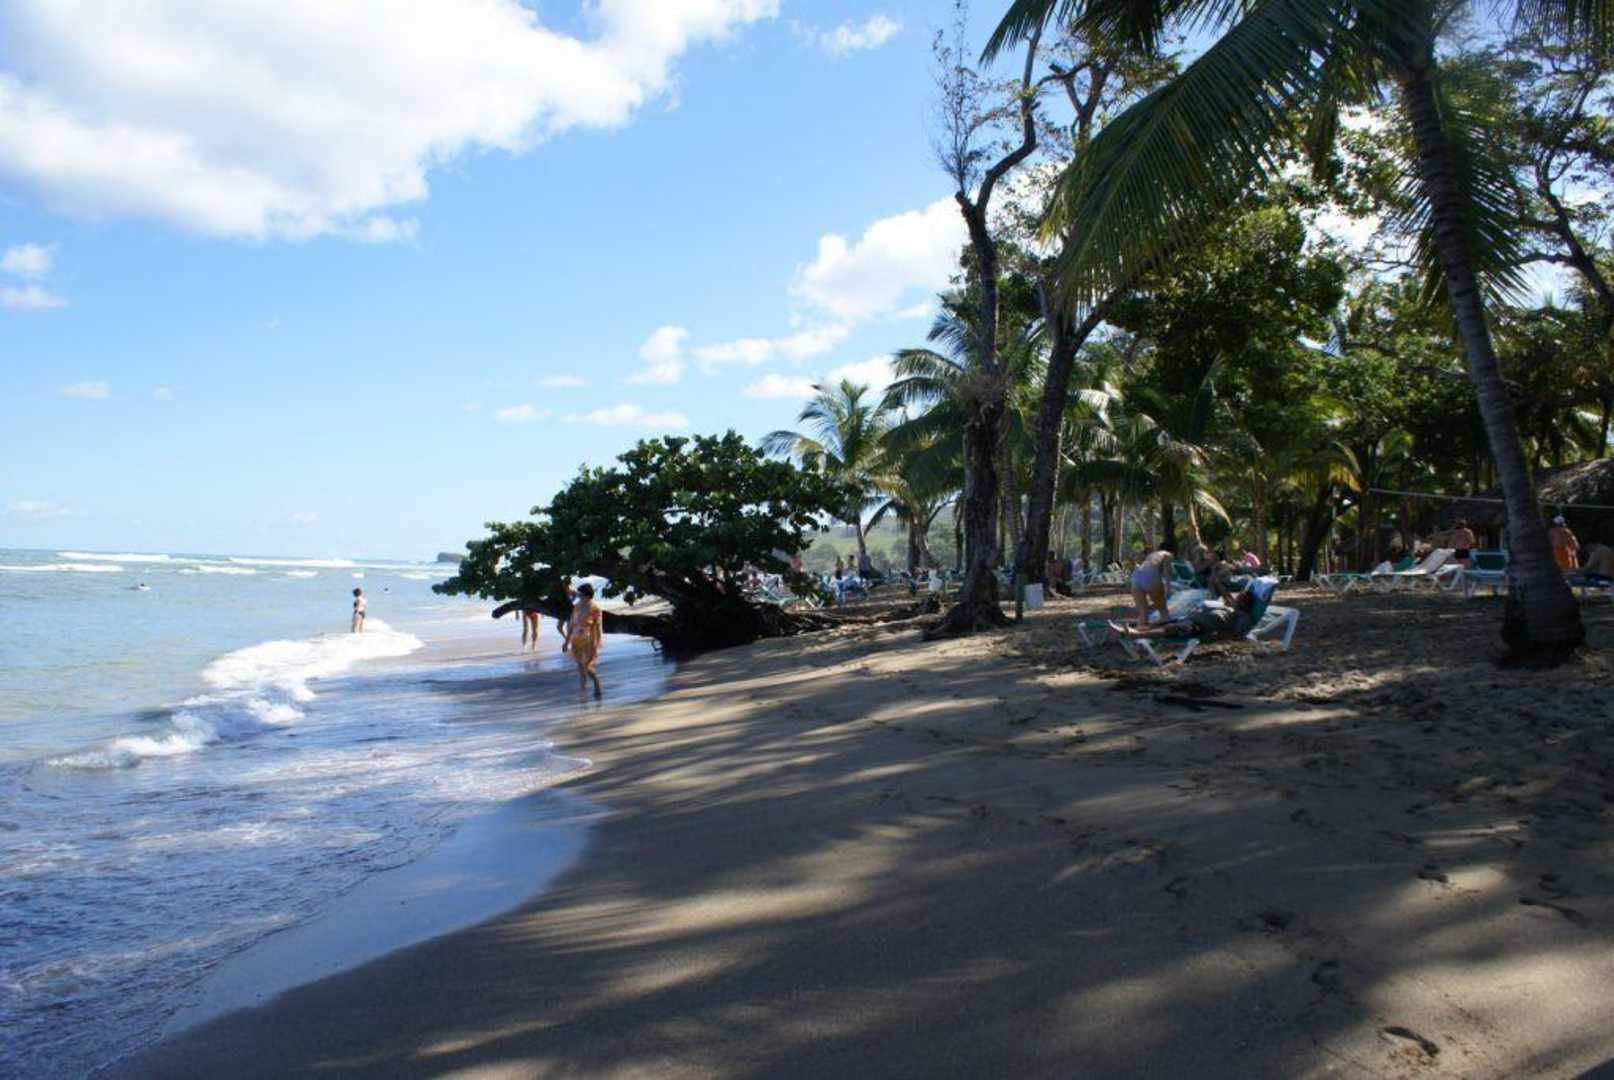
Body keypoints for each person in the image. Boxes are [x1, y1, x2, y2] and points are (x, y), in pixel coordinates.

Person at [1109, 582, 1258, 641]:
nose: (1236, 598)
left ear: (1244, 603)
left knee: (1172, 629)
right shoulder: (1229, 608)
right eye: (1239, 596)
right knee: (1162, 623)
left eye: (1240, 598)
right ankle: (1130, 629)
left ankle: (1134, 634)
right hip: (1191, 618)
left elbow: (1237, 635)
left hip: (1200, 627)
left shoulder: (1243, 617)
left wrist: (1214, 635)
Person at [568, 582, 603, 697]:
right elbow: (571, 623)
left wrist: (597, 643)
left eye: (580, 595)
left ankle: (596, 682)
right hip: (575, 640)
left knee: (586, 666)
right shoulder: (577, 606)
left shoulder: (595, 608)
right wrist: (566, 641)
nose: (578, 596)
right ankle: (583, 691)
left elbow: (598, 627)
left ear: (587, 596)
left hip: (589, 641)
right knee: (579, 666)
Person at [1129, 541, 1175, 626]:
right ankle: (1165, 621)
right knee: (1164, 612)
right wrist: (1168, 588)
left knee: (1143, 613)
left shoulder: (1152, 555)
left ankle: (1140, 626)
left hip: (1136, 576)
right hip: (1150, 576)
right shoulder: (1167, 554)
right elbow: (1167, 572)